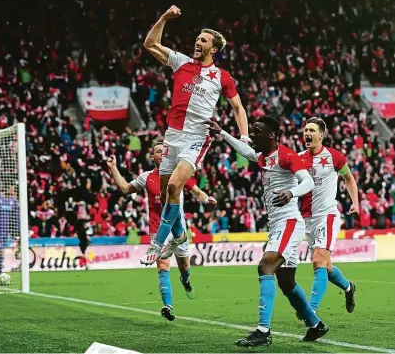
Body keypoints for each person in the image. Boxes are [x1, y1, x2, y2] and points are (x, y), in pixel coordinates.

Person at [205, 117, 329, 347]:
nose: (252, 135)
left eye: (257, 131)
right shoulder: (263, 157)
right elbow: (246, 151)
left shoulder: (287, 155)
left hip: (289, 222)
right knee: (286, 282)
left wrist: (291, 193)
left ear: (271, 135)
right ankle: (315, 324)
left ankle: (263, 331)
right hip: (277, 225)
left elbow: (308, 181)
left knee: (266, 266)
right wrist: (222, 132)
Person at [140, 5, 248, 264]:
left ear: (214, 48)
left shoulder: (222, 77)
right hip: (172, 136)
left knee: (176, 186)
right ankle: (179, 234)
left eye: (203, 40)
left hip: (196, 138)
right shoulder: (181, 62)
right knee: (168, 195)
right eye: (197, 38)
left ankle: (157, 244)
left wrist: (243, 138)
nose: (197, 42)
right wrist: (164, 16)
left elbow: (238, 107)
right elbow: (150, 43)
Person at [107, 142, 217, 321]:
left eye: (164, 151)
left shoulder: (178, 175)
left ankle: (186, 281)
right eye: (158, 151)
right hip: (157, 230)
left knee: (184, 267)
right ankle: (168, 305)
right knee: (163, 266)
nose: (162, 154)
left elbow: (197, 192)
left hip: (179, 230)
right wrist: (113, 168)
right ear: (153, 157)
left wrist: (207, 199)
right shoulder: (146, 177)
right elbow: (125, 188)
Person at [299, 117, 357, 316]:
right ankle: (349, 287)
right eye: (306, 129)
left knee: (318, 260)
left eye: (312, 130)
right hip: (308, 220)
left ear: (321, 135)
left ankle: (311, 311)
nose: (307, 133)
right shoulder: (298, 159)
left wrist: (355, 202)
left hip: (328, 215)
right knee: (327, 267)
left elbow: (349, 178)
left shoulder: (335, 157)